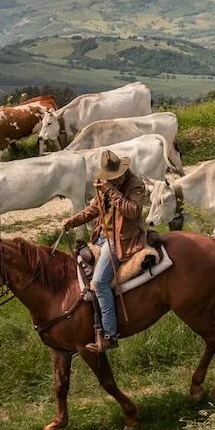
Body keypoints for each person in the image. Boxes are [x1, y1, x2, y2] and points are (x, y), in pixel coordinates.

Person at [61, 149, 147, 352]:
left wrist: (111, 190)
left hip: (121, 240)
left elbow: (133, 212)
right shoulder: (104, 186)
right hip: (101, 237)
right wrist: (72, 221)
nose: (113, 180)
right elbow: (94, 209)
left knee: (99, 282)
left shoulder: (135, 184)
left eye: (115, 177)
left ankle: (109, 334)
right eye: (110, 178)